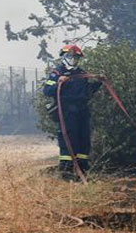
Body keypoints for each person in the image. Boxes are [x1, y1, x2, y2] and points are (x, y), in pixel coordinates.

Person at [42, 44, 102, 179]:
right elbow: (47, 90)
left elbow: (87, 93)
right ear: (64, 56)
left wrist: (98, 83)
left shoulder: (81, 74)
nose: (73, 59)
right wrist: (59, 82)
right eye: (70, 56)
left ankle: (82, 169)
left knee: (84, 138)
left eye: (76, 57)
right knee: (69, 139)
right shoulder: (57, 73)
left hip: (82, 111)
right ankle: (66, 170)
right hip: (66, 112)